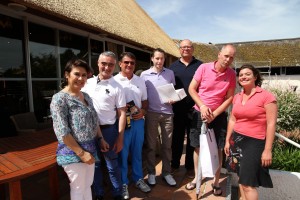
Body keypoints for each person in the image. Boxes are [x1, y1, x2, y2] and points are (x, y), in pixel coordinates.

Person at [50, 58, 109, 200]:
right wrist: (82, 154)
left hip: (90, 149)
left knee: (87, 185)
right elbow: (62, 132)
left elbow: (94, 121)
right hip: (73, 151)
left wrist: (100, 138)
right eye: (77, 74)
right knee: (78, 188)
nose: (81, 78)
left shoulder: (86, 96)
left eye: (84, 75)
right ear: (67, 75)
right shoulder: (59, 99)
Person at [187, 44, 237, 195]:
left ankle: (215, 182)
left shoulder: (231, 74)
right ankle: (197, 177)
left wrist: (214, 114)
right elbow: (191, 89)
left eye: (231, 57)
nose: (228, 60)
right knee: (197, 146)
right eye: (226, 56)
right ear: (219, 54)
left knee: (218, 148)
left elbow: (229, 98)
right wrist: (202, 106)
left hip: (218, 116)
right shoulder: (204, 68)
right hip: (199, 113)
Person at [224, 64, 277, 200]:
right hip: (236, 141)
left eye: (247, 74)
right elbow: (232, 120)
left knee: (248, 184)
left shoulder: (267, 97)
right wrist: (227, 141)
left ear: (255, 77)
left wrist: (268, 150)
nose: (243, 77)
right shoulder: (237, 97)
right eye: (241, 75)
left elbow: (271, 124)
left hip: (254, 143)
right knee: (241, 178)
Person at [82, 51, 126, 200]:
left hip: (109, 131)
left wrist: (120, 137)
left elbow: (122, 114)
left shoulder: (118, 87)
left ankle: (117, 193)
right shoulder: (87, 83)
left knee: (112, 166)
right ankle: (99, 194)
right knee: (94, 165)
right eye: (104, 63)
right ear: (98, 64)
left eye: (111, 65)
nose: (107, 67)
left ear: (115, 66)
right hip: (89, 132)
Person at [114, 52, 151, 199]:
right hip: (122, 123)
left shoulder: (140, 80)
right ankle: (123, 183)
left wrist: (143, 111)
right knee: (122, 154)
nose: (129, 65)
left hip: (138, 122)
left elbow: (145, 101)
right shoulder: (114, 80)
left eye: (132, 63)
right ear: (120, 64)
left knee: (137, 152)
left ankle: (138, 179)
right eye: (126, 62)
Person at [140, 48, 177, 187]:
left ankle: (167, 173)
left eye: (162, 59)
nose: (159, 61)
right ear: (152, 59)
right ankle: (151, 173)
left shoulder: (170, 73)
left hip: (168, 114)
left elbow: (171, 92)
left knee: (167, 146)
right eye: (157, 58)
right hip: (151, 113)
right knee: (150, 146)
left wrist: (173, 99)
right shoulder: (144, 75)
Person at [169, 39, 202, 177]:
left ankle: (189, 166)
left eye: (188, 47)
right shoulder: (172, 67)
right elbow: (169, 85)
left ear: (192, 49)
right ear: (180, 49)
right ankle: (174, 164)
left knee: (192, 138)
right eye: (183, 47)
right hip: (178, 108)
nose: (185, 49)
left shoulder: (200, 66)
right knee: (177, 137)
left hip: (195, 108)